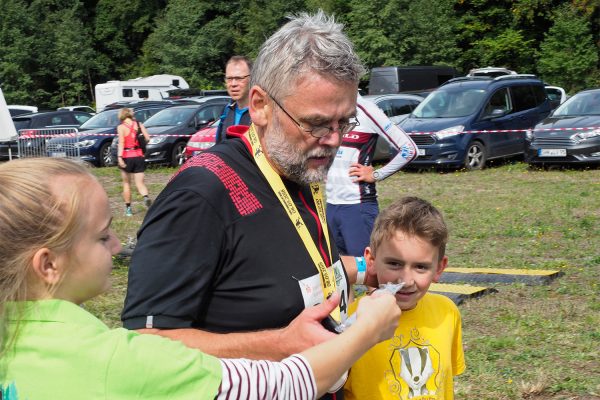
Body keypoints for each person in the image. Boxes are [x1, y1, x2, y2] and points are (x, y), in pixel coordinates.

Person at [0, 157, 402, 400]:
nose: (117, 243)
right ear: (48, 264)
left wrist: (360, 270)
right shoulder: (118, 362)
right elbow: (287, 384)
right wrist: (366, 329)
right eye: (102, 234)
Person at [122, 11, 366, 398]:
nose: (334, 140)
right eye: (317, 124)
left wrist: (370, 269)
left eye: (344, 123)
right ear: (260, 105)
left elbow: (290, 270)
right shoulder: (200, 197)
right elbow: (143, 346)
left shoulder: (298, 168)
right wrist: (279, 345)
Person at [344, 196, 466, 400]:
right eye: (394, 263)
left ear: (439, 268)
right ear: (371, 260)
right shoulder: (349, 323)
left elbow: (444, 383)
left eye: (421, 267)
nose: (406, 280)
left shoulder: (448, 313)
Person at [326, 95, 417, 256]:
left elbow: (409, 149)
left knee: (371, 274)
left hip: (357, 206)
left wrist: (376, 174)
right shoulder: (330, 108)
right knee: (340, 274)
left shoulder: (367, 110)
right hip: (331, 205)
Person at [116, 107, 151, 216]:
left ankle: (128, 209)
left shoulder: (121, 127)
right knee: (140, 183)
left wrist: (119, 157)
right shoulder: (139, 124)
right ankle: (145, 197)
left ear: (121, 115)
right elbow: (148, 138)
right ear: (130, 114)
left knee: (126, 183)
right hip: (139, 155)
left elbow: (121, 142)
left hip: (127, 156)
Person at [214, 55, 252, 144]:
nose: (233, 84)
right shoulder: (226, 111)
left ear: (252, 79)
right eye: (229, 79)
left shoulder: (263, 113)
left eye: (239, 78)